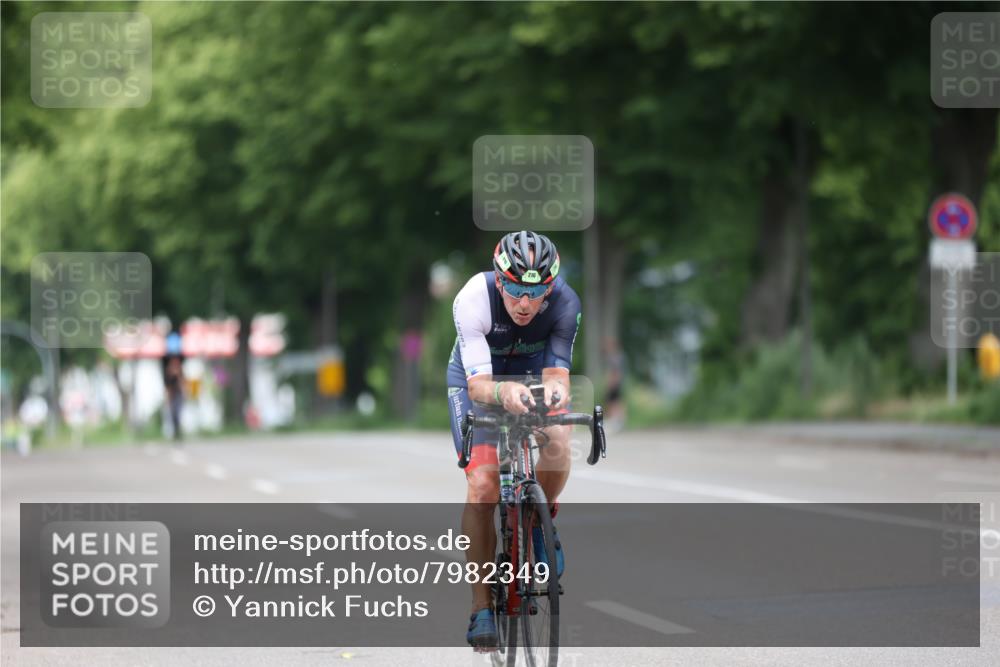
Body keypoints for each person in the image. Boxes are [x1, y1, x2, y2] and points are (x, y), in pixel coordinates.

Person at [447, 230, 581, 650]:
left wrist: (555, 398)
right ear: (500, 280)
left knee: (559, 438)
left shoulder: (565, 303)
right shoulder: (473, 298)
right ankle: (481, 607)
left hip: (530, 376)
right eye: (517, 290)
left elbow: (557, 372)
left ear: (551, 286)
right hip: (478, 382)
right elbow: (481, 385)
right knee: (483, 485)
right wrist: (505, 394)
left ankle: (539, 525)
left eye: (537, 291)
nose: (526, 303)